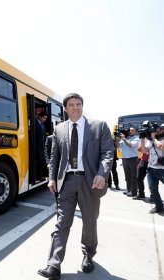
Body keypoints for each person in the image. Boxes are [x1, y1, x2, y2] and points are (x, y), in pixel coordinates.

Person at [38, 93, 114, 279]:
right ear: (65, 108)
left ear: (82, 105)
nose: (75, 107)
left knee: (89, 221)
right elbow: (55, 157)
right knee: (61, 223)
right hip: (67, 182)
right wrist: (52, 178)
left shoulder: (98, 126)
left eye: (78, 104)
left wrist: (102, 173)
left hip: (91, 182)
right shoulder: (60, 129)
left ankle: (88, 255)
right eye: (71, 105)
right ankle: (53, 264)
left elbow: (107, 153)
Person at [140, 124, 164, 213]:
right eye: (159, 128)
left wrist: (153, 137)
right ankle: (159, 206)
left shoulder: (160, 139)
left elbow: (160, 146)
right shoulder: (150, 140)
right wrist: (142, 138)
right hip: (151, 168)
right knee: (152, 188)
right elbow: (144, 151)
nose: (159, 130)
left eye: (162, 129)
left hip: (162, 168)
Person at [118, 127, 139, 197]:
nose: (130, 131)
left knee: (133, 176)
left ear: (136, 131)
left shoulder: (136, 138)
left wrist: (124, 139)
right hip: (125, 159)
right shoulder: (126, 138)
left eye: (132, 130)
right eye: (130, 130)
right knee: (127, 176)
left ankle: (134, 192)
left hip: (133, 159)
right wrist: (117, 139)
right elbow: (119, 148)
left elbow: (131, 145)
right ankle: (129, 190)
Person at [35, 109, 48, 180]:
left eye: (46, 118)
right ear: (40, 117)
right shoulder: (35, 123)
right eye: (44, 118)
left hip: (41, 146)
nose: (45, 119)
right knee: (38, 161)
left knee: (41, 161)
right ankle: (38, 176)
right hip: (36, 146)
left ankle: (41, 175)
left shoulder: (42, 125)